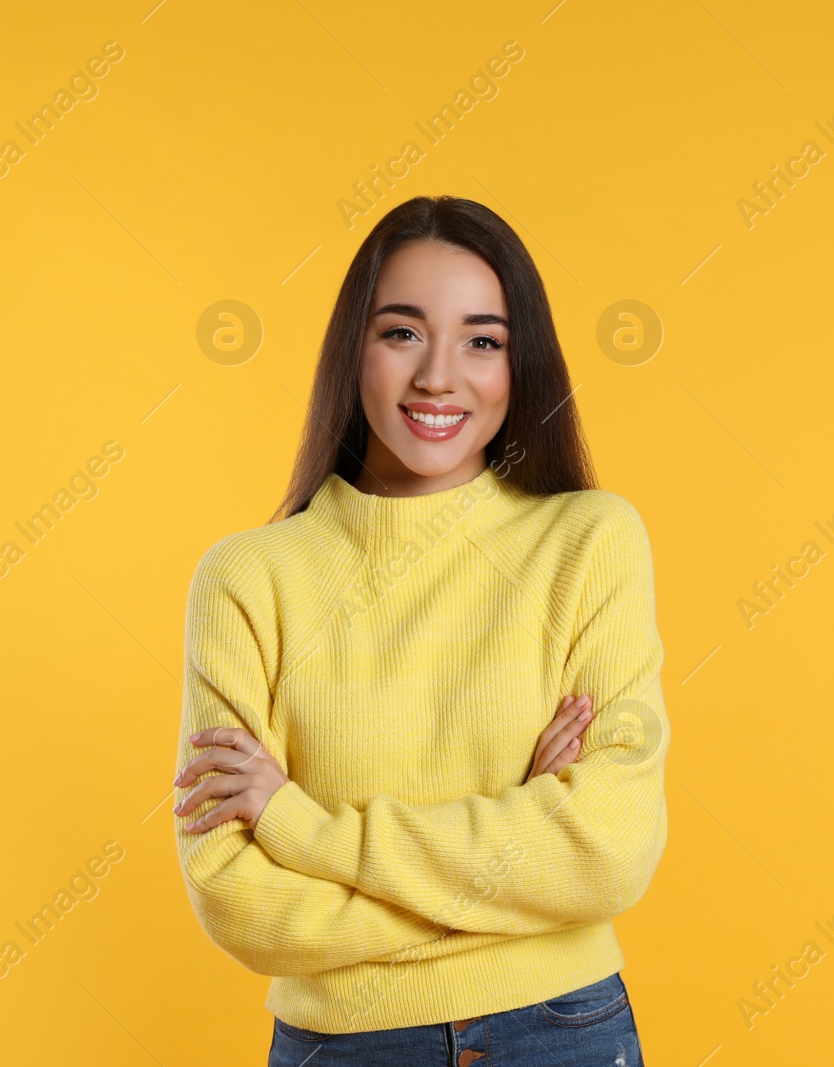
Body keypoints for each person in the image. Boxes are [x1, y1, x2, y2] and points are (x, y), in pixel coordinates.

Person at [172, 195, 669, 1065]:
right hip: (344, 1048)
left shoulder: (590, 543)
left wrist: (300, 827)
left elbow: (611, 848)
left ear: (523, 364)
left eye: (483, 340)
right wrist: (520, 842)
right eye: (402, 332)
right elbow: (235, 898)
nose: (440, 376)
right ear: (351, 352)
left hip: (561, 1031)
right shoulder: (249, 580)